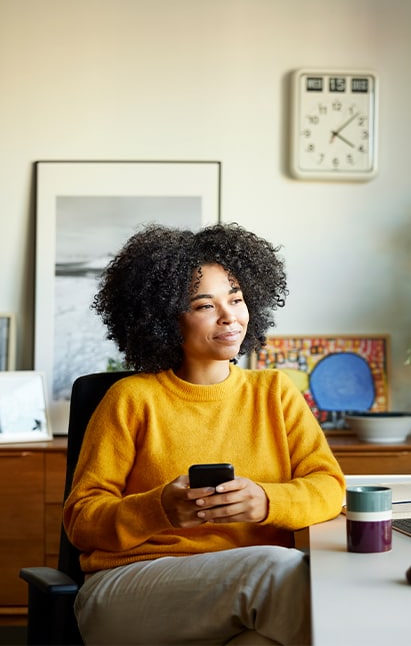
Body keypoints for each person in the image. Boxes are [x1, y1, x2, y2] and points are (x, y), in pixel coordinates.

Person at [63, 222, 346, 645]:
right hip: (131, 588)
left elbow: (329, 488)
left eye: (236, 298)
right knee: (283, 574)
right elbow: (82, 521)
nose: (230, 316)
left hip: (249, 595)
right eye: (204, 305)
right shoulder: (131, 399)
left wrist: (267, 501)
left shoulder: (275, 393)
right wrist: (160, 509)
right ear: (163, 318)